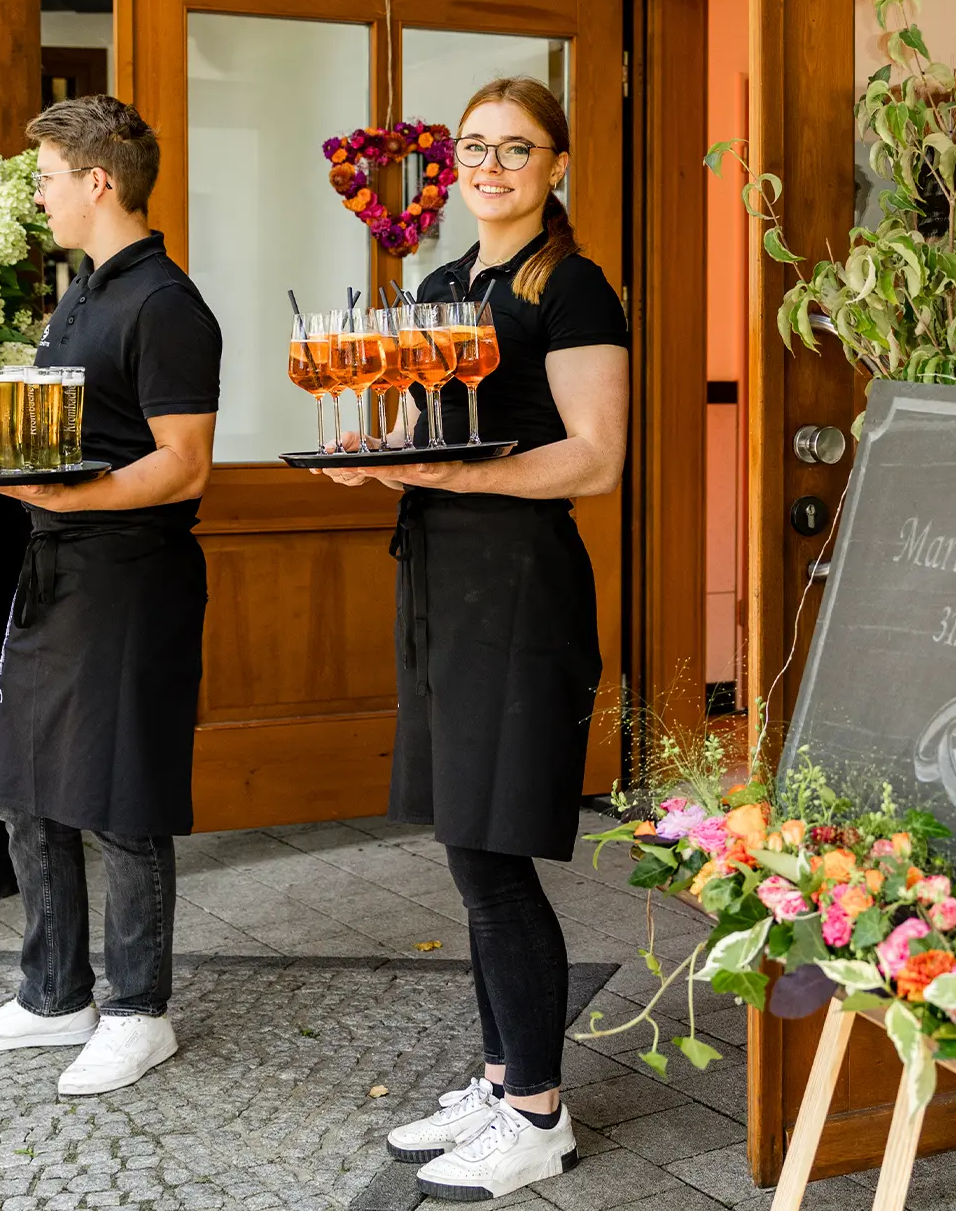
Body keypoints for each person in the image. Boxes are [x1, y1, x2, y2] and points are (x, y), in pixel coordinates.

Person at [321, 77, 629, 1201]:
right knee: (465, 844)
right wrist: (373, 454)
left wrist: (437, 466)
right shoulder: (448, 286)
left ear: (556, 166)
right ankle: (502, 1078)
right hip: (441, 577)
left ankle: (539, 1115)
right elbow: (421, 432)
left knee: (495, 856)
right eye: (475, 146)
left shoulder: (574, 287)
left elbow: (595, 456)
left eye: (517, 147)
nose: (491, 165)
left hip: (518, 587)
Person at [0, 95, 222, 1096]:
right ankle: (53, 994)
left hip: (132, 578)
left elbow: (185, 466)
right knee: (25, 788)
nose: (40, 195)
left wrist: (64, 491)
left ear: (99, 182)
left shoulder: (167, 305)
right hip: (55, 570)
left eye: (49, 177)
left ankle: (140, 1011)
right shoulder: (78, 298)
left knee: (120, 799)